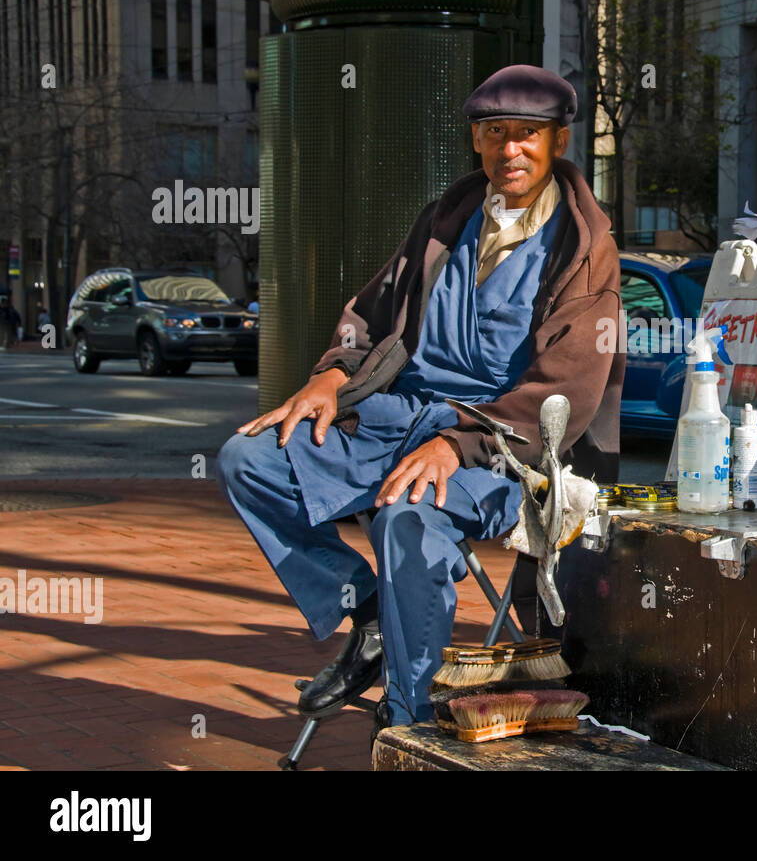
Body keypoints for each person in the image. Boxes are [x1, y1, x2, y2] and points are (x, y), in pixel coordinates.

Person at [216, 65, 625, 733]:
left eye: (528, 135)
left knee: (407, 516)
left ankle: (406, 724)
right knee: (248, 459)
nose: (510, 149)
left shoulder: (584, 251)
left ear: (558, 140)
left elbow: (566, 395)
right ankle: (370, 610)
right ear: (475, 138)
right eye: (497, 133)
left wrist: (457, 443)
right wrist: (330, 374)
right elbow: (370, 314)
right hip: (394, 419)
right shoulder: (445, 220)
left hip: (502, 453)